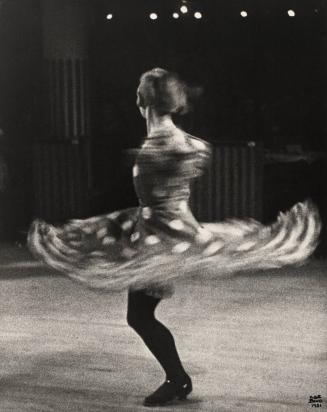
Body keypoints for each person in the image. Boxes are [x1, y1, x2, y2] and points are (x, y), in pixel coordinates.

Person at [28, 68, 321, 407]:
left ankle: (178, 380)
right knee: (139, 315)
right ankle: (178, 379)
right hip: (156, 230)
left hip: (163, 239)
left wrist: (146, 160)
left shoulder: (162, 144)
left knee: (139, 316)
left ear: (141, 101)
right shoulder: (171, 142)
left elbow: (180, 159)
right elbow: (193, 153)